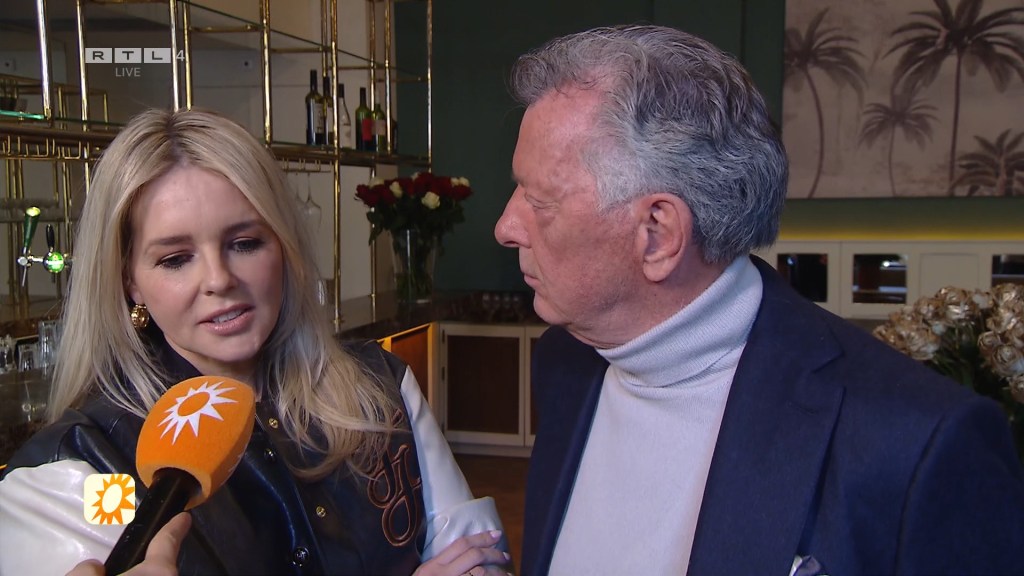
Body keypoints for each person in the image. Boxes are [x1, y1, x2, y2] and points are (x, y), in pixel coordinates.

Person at [495, 24, 1024, 575]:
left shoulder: (918, 442)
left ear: (657, 234)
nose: (506, 227)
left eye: (539, 201)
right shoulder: (564, 363)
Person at [0, 108, 511, 576]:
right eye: (175, 259)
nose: (219, 279)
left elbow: (479, 557)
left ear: (283, 247)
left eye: (245, 243)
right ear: (128, 280)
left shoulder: (381, 388)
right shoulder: (87, 469)